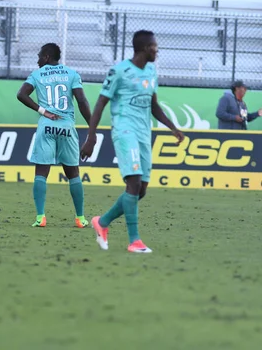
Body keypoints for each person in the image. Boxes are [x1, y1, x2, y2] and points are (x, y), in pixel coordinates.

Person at [80, 30, 185, 253]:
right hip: (124, 130)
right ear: (146, 48)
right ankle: (134, 241)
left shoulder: (151, 70)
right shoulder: (119, 71)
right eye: (155, 47)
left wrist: (173, 128)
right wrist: (91, 137)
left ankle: (103, 222)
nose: (158, 51)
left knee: (141, 190)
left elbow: (153, 105)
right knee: (134, 182)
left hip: (144, 134)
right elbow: (100, 104)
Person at [16, 43, 92, 228]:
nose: (38, 60)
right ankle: (80, 218)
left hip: (47, 126)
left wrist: (43, 111)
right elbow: (81, 100)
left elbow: (21, 94)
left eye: (40, 56)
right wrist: (93, 127)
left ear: (47, 57)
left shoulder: (37, 75)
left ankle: (40, 217)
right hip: (66, 126)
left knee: (41, 172)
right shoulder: (72, 74)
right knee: (73, 173)